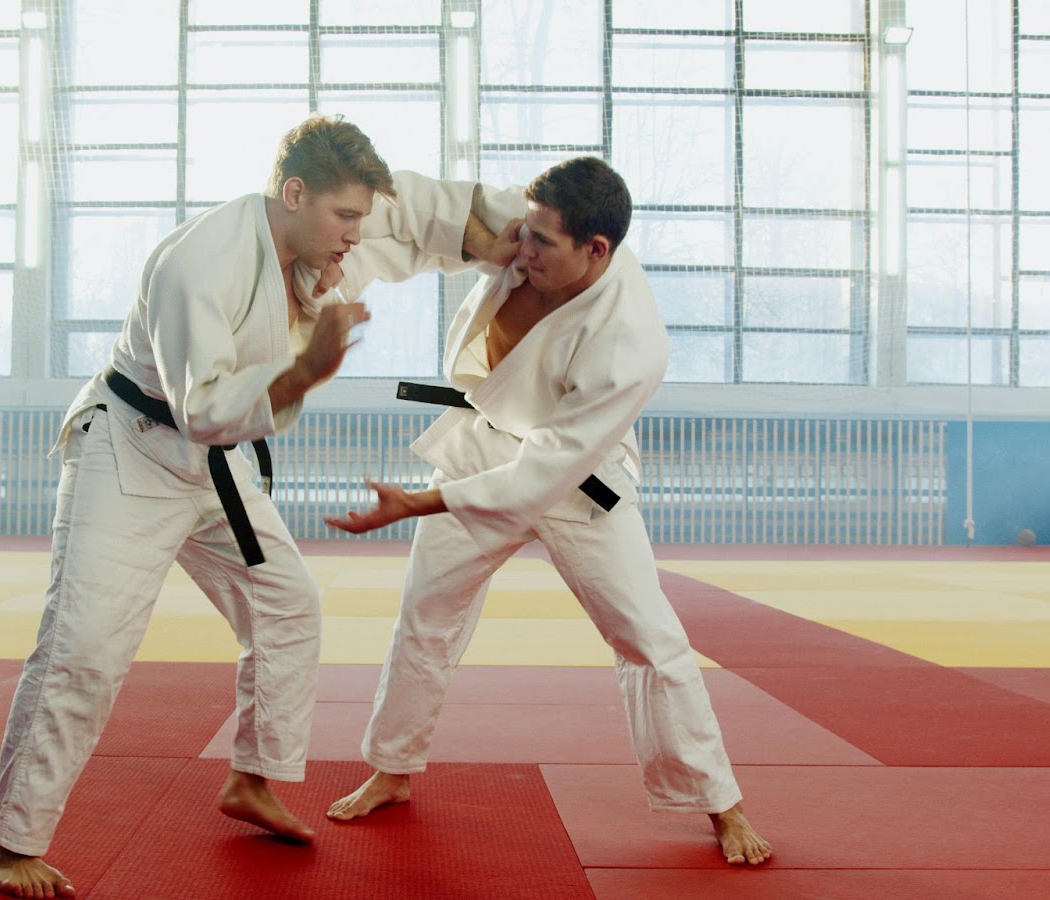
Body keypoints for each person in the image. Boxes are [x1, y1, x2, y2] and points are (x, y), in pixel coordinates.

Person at [0, 115, 517, 898]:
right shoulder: (201, 265)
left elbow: (416, 210)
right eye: (343, 218)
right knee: (85, 648)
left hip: (216, 471)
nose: (355, 237)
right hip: (133, 455)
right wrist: (309, 368)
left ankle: (253, 779)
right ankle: (11, 842)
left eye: (358, 219)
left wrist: (503, 236)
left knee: (288, 605)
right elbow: (200, 409)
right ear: (293, 193)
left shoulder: (319, 230)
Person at [320, 157, 773, 866]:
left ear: (596, 251)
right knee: (427, 611)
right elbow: (413, 204)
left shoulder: (632, 342)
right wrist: (330, 236)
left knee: (648, 639)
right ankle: (392, 768)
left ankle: (721, 801)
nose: (520, 250)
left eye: (541, 245)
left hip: (576, 476)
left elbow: (545, 470)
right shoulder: (526, 223)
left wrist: (420, 502)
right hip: (482, 440)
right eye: (523, 233)